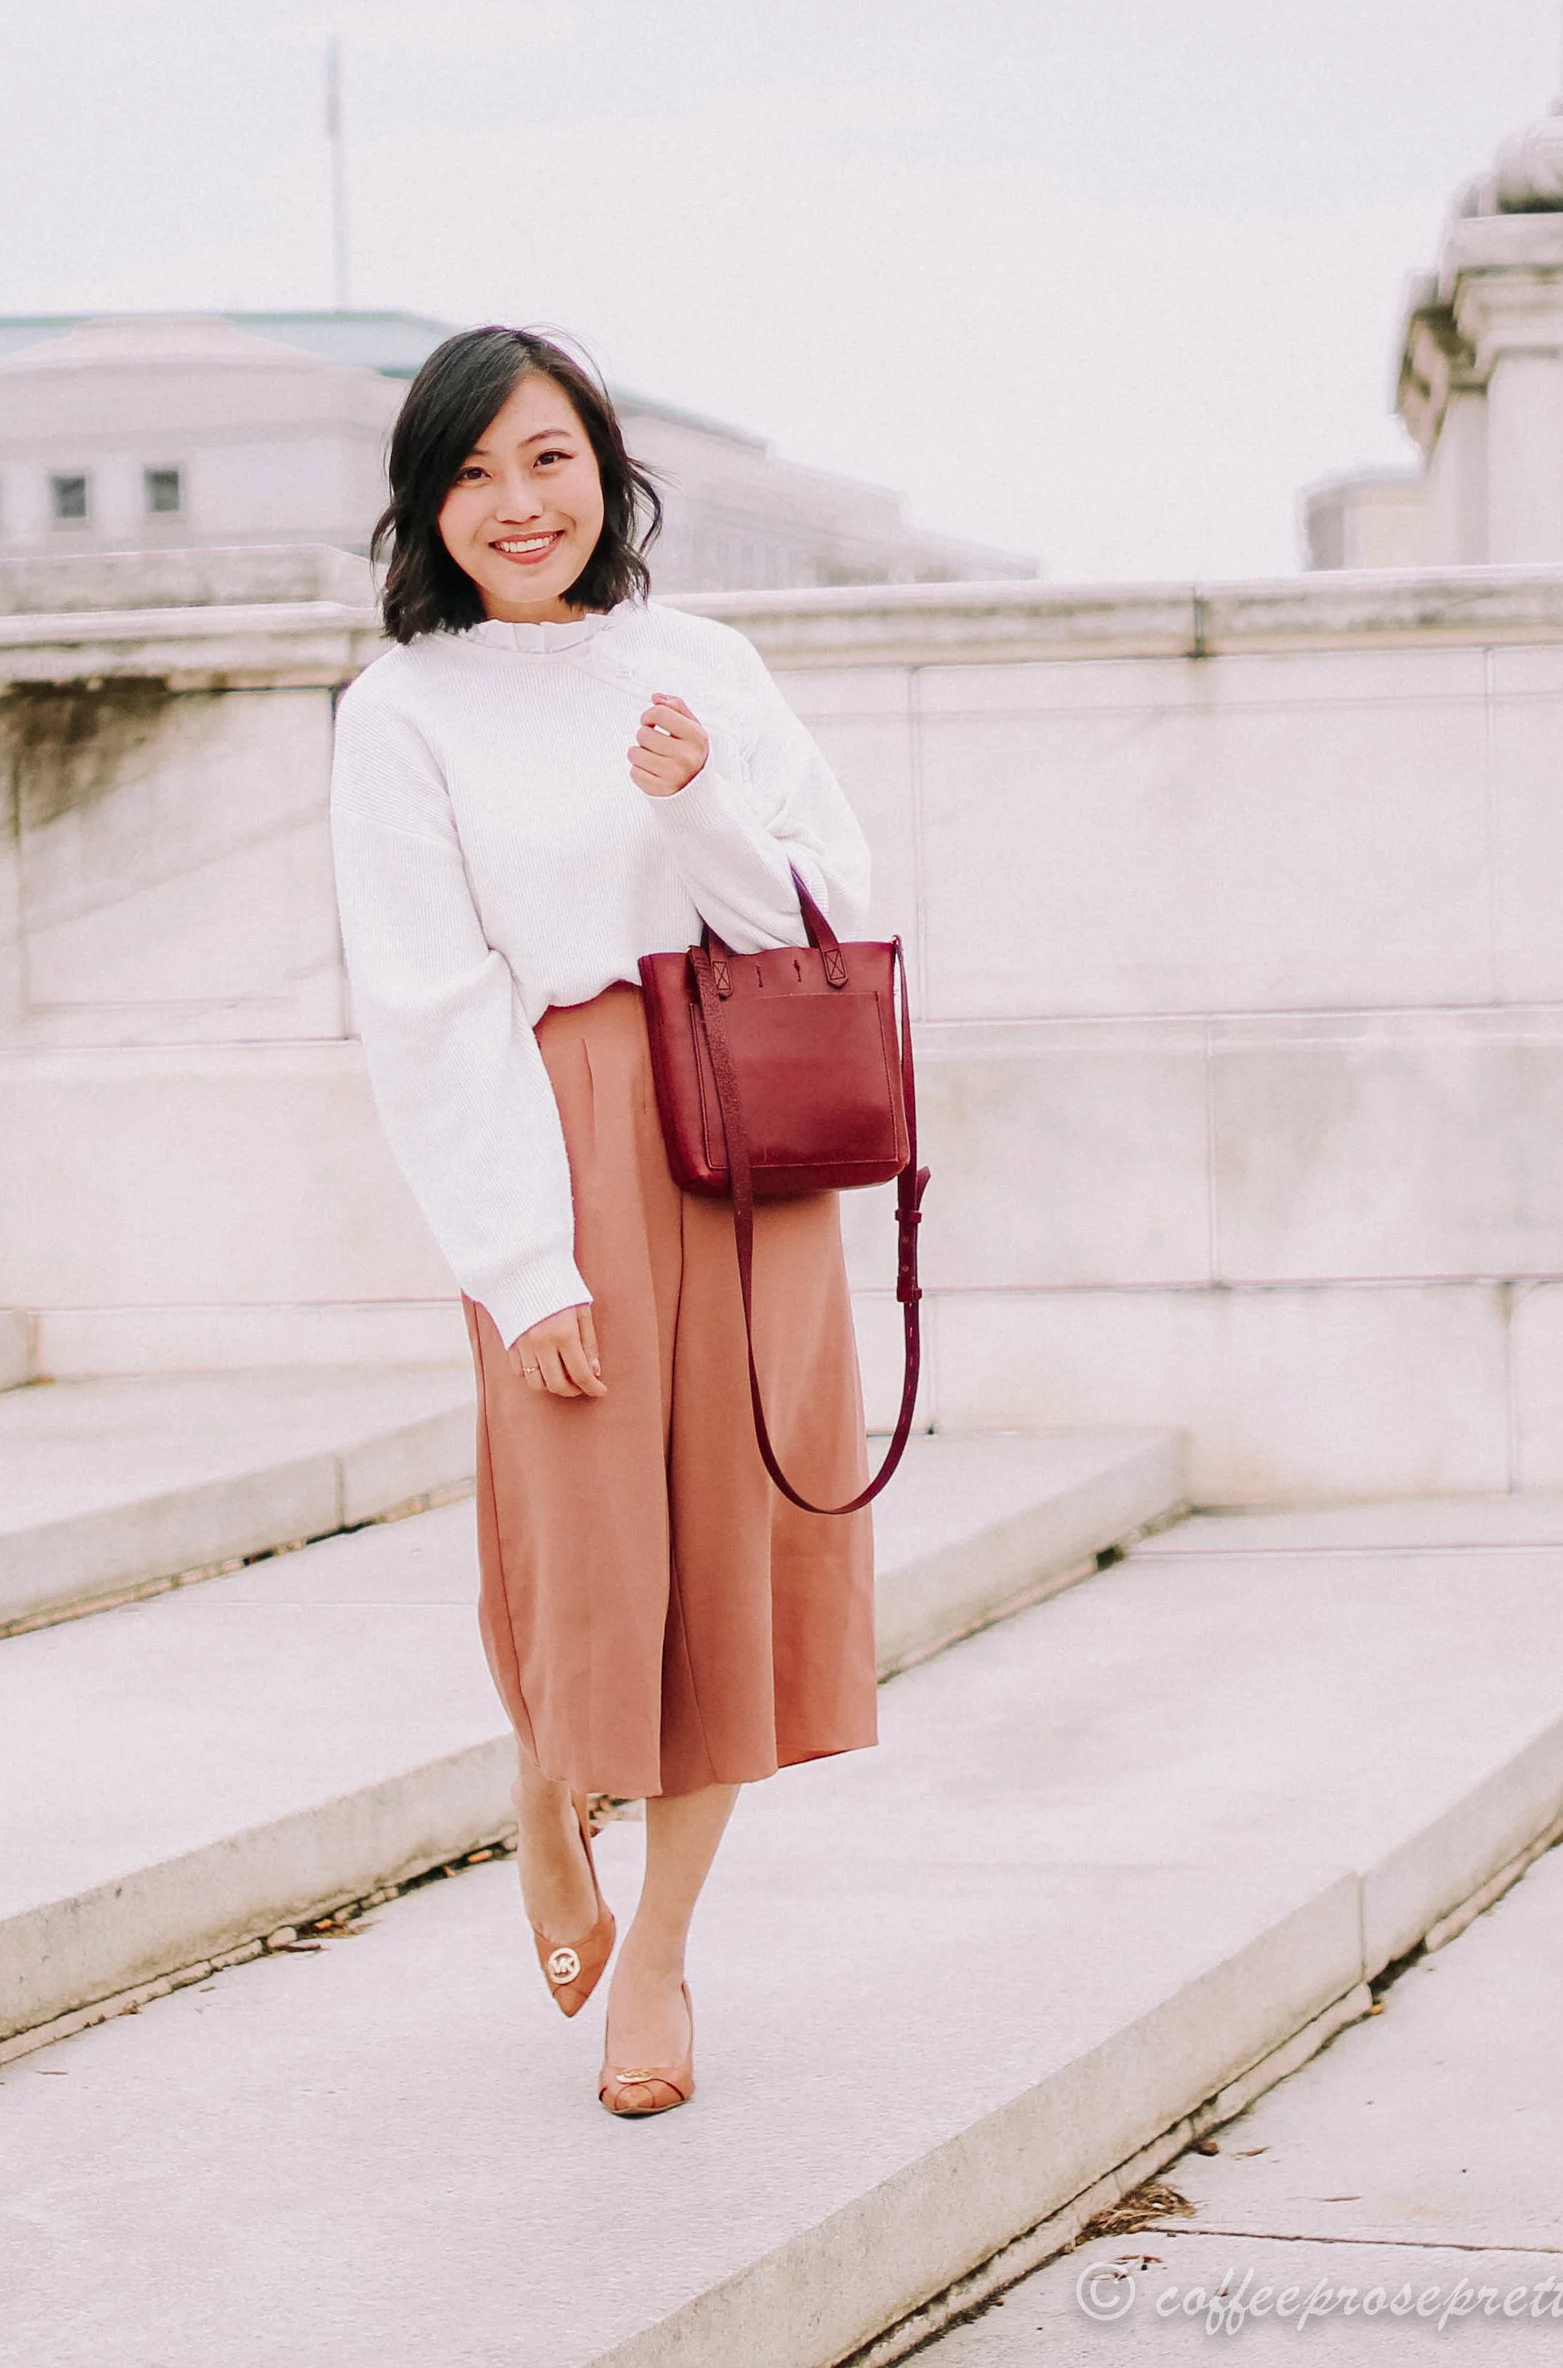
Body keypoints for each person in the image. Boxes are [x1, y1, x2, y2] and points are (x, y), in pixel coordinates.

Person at [329, 325, 878, 2117]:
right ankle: (546, 1777)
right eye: (475, 470)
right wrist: (516, 1262)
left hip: (744, 1137)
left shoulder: (705, 663)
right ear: (429, 499)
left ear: (607, 469)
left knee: (727, 1550)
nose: (518, 503)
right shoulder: (403, 708)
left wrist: (694, 802)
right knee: (583, 1546)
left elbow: (821, 915)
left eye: (548, 459)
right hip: (560, 1138)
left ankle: (662, 1952)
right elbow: (428, 1003)